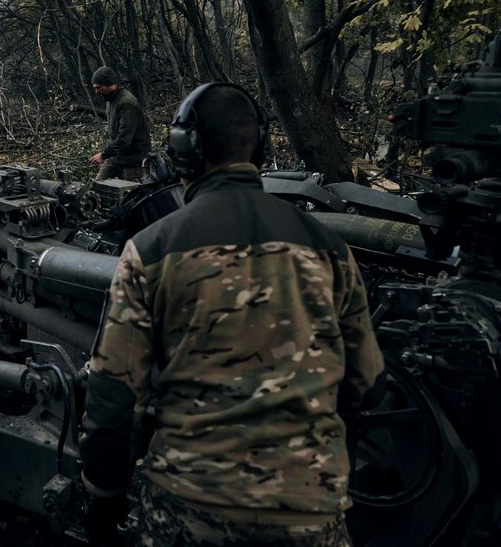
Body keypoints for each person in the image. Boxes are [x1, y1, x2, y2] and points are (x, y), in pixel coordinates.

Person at [79, 82, 385, 547]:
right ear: (260, 147)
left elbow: (114, 398)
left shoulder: (151, 250)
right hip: (309, 513)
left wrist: (104, 498)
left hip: (190, 509)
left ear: (183, 151)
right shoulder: (331, 250)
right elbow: (368, 383)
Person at [88, 66, 151, 181]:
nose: (96, 91)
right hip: (118, 156)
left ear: (109, 84)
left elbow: (124, 139)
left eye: (99, 88)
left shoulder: (126, 102)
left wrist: (103, 155)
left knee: (127, 196)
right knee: (98, 187)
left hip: (134, 161)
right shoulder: (111, 100)